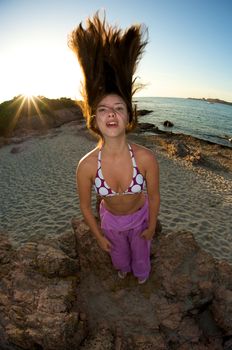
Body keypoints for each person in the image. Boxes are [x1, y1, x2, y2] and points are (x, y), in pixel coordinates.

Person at [69, 13, 160, 284]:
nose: (111, 114)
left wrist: (152, 226)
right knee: (119, 259)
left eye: (119, 108)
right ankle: (123, 268)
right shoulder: (86, 166)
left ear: (129, 117)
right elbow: (86, 207)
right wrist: (98, 235)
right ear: (94, 119)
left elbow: (153, 196)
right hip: (110, 223)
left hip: (141, 217)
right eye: (103, 109)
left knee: (141, 262)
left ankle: (142, 275)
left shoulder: (145, 158)